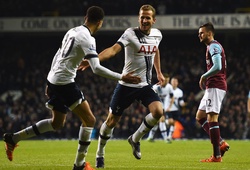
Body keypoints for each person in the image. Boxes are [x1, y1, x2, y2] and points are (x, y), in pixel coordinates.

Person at [3, 6, 140, 170]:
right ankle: (80, 165)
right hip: (64, 82)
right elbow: (96, 68)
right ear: (100, 23)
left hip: (54, 79)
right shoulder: (88, 39)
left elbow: (58, 54)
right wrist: (121, 77)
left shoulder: (72, 31)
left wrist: (49, 81)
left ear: (85, 18)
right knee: (89, 120)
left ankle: (13, 138)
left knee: (57, 123)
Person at [93, 4, 165, 168]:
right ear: (138, 18)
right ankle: (100, 154)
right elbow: (112, 50)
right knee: (111, 121)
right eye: (142, 17)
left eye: (147, 17)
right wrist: (94, 60)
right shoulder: (130, 33)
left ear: (154, 20)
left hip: (144, 85)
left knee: (158, 111)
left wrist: (159, 72)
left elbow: (156, 50)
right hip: (126, 84)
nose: (144, 20)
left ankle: (135, 139)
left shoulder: (157, 34)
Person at [196, 22, 229, 162]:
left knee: (212, 119)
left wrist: (204, 76)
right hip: (212, 86)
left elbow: (218, 66)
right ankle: (220, 142)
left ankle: (216, 156)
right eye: (199, 33)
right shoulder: (211, 46)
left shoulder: (214, 46)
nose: (199, 35)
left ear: (210, 33)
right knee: (200, 116)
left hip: (215, 85)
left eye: (202, 33)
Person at [147, 73, 174, 142]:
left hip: (165, 108)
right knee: (160, 120)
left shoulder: (169, 87)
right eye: (166, 80)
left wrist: (170, 107)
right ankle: (165, 138)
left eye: (168, 81)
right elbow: (149, 96)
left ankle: (150, 137)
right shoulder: (155, 87)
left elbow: (172, 97)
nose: (167, 82)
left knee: (159, 122)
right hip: (157, 107)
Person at [165, 77, 186, 143]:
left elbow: (180, 100)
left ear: (177, 83)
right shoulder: (167, 89)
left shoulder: (180, 91)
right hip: (168, 109)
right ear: (171, 82)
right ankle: (165, 122)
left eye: (175, 81)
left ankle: (169, 136)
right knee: (170, 122)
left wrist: (182, 104)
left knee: (173, 123)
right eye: (173, 81)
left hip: (176, 109)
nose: (174, 83)